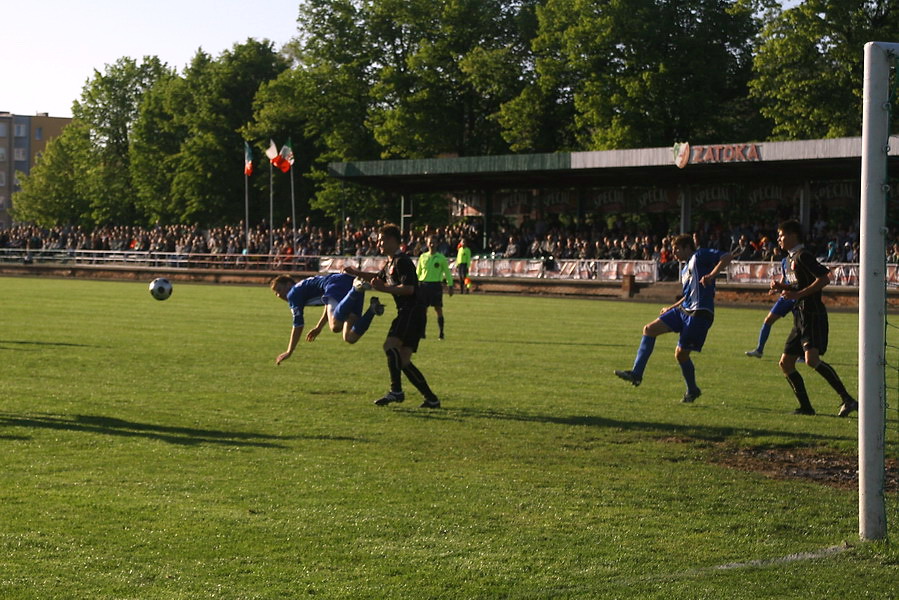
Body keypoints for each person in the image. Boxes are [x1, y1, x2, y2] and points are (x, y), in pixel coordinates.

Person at [614, 233, 733, 403]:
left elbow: (727, 256)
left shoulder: (700, 255)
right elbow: (688, 294)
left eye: (677, 249)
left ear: (687, 248)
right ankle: (636, 373)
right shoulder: (684, 269)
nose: (674, 252)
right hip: (684, 311)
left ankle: (692, 390)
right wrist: (670, 308)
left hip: (699, 314)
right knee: (649, 329)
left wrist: (712, 275)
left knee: (681, 355)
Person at [345, 224, 440, 408]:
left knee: (389, 346)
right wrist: (356, 273)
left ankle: (396, 391)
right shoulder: (391, 263)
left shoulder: (402, 261)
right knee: (403, 361)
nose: (378, 243)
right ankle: (431, 399)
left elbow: (409, 288)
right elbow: (378, 278)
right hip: (412, 312)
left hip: (411, 311)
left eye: (381, 239)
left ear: (391, 240)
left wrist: (385, 289)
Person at [770, 219, 858, 417]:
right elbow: (799, 286)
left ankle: (848, 399)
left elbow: (825, 277)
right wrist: (783, 288)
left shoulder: (803, 256)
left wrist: (797, 295)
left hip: (812, 314)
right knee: (786, 363)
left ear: (793, 235)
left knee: (811, 360)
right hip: (799, 316)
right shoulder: (789, 260)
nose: (779, 239)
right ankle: (806, 408)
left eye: (782, 235)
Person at [270, 273, 383, 365]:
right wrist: (319, 327)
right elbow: (328, 304)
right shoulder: (302, 289)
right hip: (346, 283)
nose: (279, 295)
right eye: (276, 293)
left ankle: (355, 289)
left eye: (279, 290)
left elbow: (298, 325)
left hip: (337, 283)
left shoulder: (293, 294)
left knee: (335, 326)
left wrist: (289, 351)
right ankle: (372, 309)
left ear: (289, 284)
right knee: (350, 337)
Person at [745, 250, 796, 359]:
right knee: (768, 320)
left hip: (797, 296)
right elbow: (784, 279)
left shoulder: (800, 259)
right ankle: (759, 350)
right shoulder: (785, 261)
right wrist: (777, 288)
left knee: (800, 326)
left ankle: (801, 355)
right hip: (785, 296)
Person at [416, 235, 454, 340]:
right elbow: (418, 272)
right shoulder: (423, 257)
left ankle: (441, 333)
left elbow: (447, 273)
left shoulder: (441, 258)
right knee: (423, 310)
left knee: (438, 309)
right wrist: (415, 285)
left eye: (433, 242)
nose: (432, 244)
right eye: (430, 242)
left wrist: (450, 285)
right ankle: (422, 333)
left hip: (436, 286)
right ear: (427, 244)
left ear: (437, 244)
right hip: (423, 285)